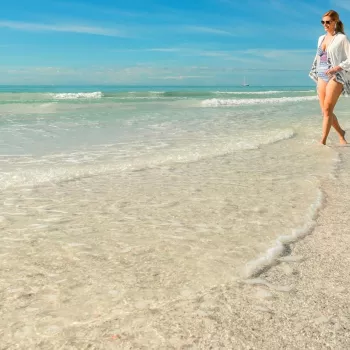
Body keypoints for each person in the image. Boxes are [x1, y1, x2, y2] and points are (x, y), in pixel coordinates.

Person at [309, 10, 350, 145]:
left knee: (327, 109)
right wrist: (315, 70)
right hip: (321, 75)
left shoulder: (341, 38)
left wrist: (337, 68)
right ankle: (341, 134)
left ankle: (323, 141)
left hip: (336, 75)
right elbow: (319, 57)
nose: (325, 24)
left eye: (328, 22)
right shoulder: (321, 38)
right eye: (323, 22)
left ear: (335, 22)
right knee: (325, 111)